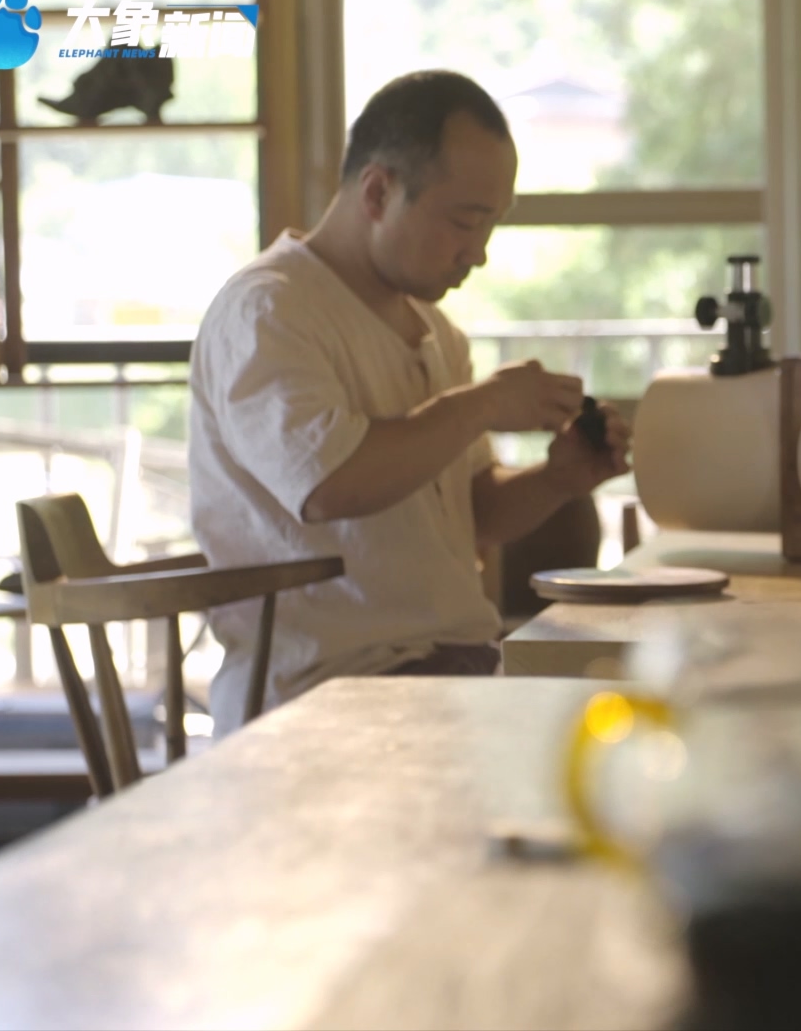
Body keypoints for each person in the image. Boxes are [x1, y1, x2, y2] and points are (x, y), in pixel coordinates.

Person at [188, 70, 630, 734]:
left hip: (451, 666)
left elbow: (475, 515)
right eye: (463, 222)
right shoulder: (270, 310)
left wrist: (557, 479)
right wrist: (481, 407)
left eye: (490, 226)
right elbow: (330, 483)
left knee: (652, 704)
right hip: (326, 687)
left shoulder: (435, 333)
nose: (478, 254)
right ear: (377, 191)